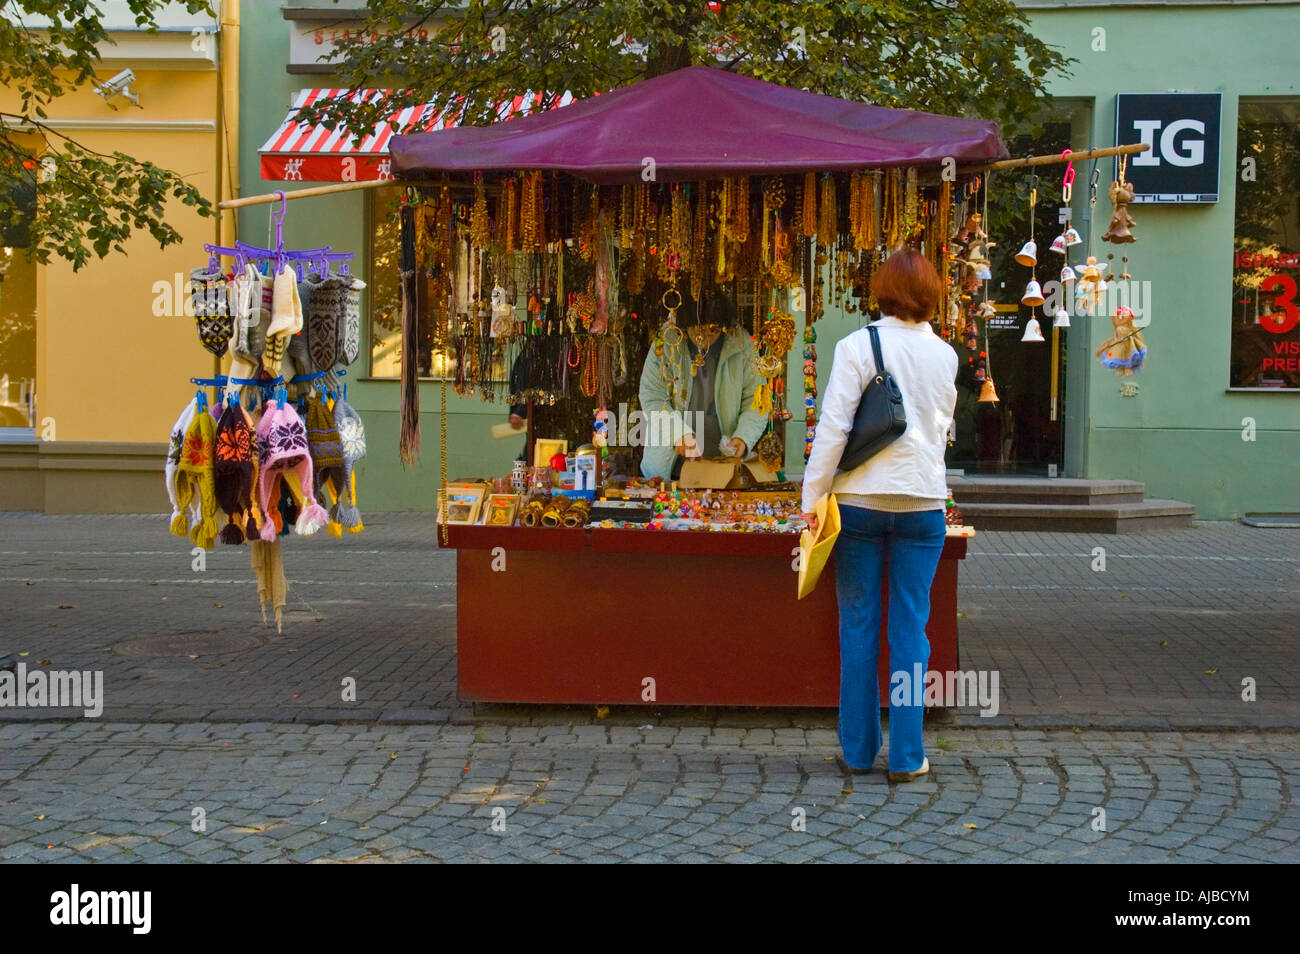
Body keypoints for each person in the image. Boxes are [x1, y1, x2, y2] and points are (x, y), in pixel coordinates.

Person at [801, 250, 958, 782]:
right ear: (931, 293)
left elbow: (833, 431)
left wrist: (811, 501)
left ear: (882, 290)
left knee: (859, 626)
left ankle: (858, 752)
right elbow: (941, 433)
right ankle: (909, 757)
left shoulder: (856, 346)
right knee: (912, 630)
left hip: (861, 506)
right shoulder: (946, 354)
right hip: (922, 506)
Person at [638, 292, 766, 481]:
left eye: (712, 331)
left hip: (723, 464)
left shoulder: (741, 344)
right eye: (696, 330)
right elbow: (652, 397)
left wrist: (743, 437)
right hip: (669, 467)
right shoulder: (665, 341)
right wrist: (677, 435)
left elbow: (757, 401)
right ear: (683, 324)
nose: (703, 338)